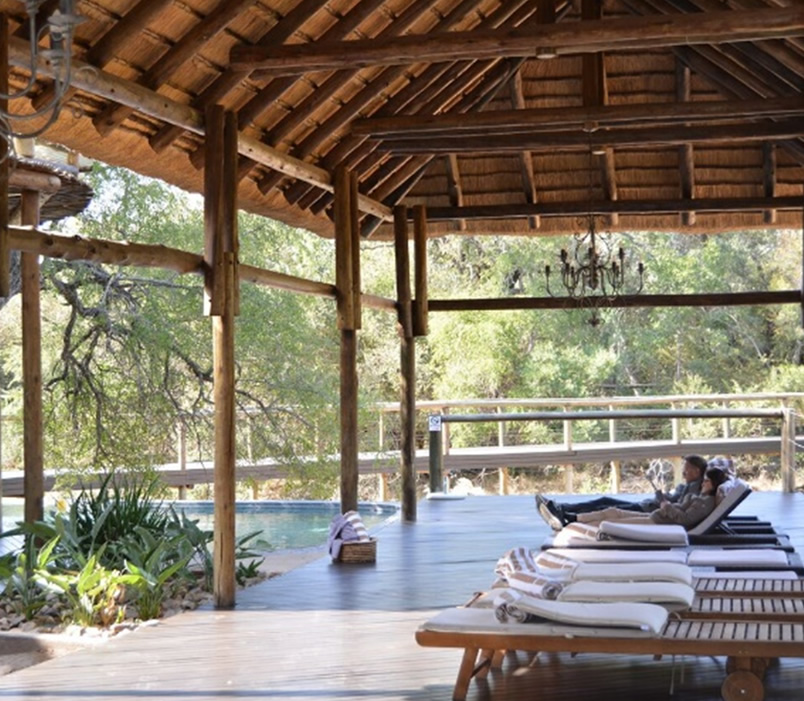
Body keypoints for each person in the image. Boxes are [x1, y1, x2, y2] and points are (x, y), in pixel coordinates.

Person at [536, 454, 708, 530]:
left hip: (648, 511)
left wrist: (664, 501)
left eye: (687, 469)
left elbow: (680, 510)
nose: (683, 472)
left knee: (606, 504)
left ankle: (563, 511)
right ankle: (562, 509)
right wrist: (664, 496)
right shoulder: (689, 485)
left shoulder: (695, 489)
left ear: (697, 472)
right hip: (649, 505)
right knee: (605, 502)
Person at [570, 464, 731, 529]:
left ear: (715, 484)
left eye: (707, 482)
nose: (703, 484)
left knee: (611, 522)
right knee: (613, 511)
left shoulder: (705, 503)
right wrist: (666, 503)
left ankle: (574, 526)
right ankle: (574, 518)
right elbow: (681, 509)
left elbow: (685, 520)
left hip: (656, 522)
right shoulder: (701, 498)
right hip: (656, 515)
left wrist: (666, 506)